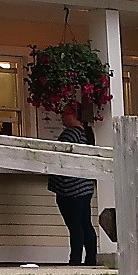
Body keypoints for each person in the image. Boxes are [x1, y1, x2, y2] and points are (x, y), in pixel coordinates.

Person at [49, 109, 101, 265]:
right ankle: (91, 258)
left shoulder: (71, 133)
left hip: (70, 188)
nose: (62, 118)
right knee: (85, 223)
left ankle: (75, 260)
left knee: (75, 225)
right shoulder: (86, 133)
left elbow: (58, 156)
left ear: (72, 116)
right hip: (85, 186)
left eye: (64, 114)